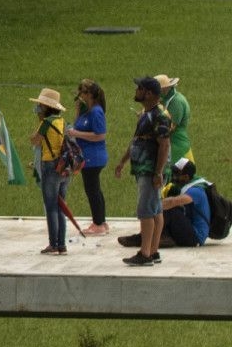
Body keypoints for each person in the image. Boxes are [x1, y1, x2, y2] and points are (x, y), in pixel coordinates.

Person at [117, 76, 172, 267]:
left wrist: (158, 173)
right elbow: (137, 140)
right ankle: (154, 251)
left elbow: (164, 145)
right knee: (155, 210)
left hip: (150, 171)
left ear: (148, 93)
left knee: (146, 212)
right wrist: (123, 161)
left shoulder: (159, 116)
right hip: (144, 168)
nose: (136, 91)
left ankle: (145, 253)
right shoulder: (146, 114)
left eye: (139, 88)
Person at [28, 88, 70, 256]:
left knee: (51, 206)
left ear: (46, 107)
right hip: (63, 166)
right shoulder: (62, 121)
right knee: (61, 206)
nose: (38, 107)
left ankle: (53, 244)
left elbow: (34, 140)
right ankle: (62, 244)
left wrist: (39, 121)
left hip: (50, 166)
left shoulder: (46, 123)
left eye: (40, 105)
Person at [67, 79, 110, 235]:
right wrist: (77, 111)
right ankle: (101, 221)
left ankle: (98, 224)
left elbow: (100, 135)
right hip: (87, 156)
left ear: (90, 94)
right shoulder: (87, 111)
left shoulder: (96, 112)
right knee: (95, 189)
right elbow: (76, 125)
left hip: (94, 156)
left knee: (92, 190)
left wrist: (77, 134)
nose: (80, 96)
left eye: (82, 93)